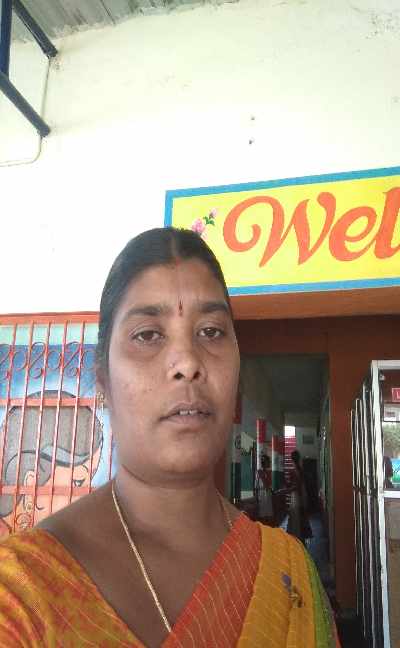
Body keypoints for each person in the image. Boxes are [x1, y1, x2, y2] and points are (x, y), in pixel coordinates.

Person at [0, 228, 339, 647]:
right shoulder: (21, 597)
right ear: (103, 381)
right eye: (148, 334)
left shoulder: (291, 574)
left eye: (211, 331)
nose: (187, 362)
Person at [287, 450, 313, 543]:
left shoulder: (293, 471)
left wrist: (286, 489)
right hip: (302, 495)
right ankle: (302, 536)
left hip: (296, 496)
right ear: (298, 458)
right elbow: (301, 484)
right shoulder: (301, 470)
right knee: (302, 516)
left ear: (291, 459)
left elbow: (294, 486)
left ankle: (296, 537)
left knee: (295, 517)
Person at [255, 453, 274, 525]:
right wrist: (256, 497)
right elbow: (256, 486)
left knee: (269, 515)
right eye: (268, 461)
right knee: (262, 515)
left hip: (268, 494)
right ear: (264, 462)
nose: (269, 463)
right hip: (261, 494)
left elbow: (269, 484)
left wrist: (267, 474)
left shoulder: (269, 472)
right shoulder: (259, 472)